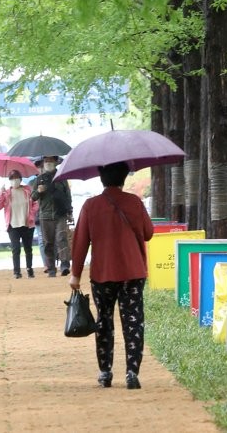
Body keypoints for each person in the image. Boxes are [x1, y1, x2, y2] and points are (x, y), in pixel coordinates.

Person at [69, 161, 154, 390]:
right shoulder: (135, 202)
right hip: (133, 272)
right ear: (125, 177)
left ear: (101, 178)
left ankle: (105, 372)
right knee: (133, 321)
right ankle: (132, 372)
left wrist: (75, 275)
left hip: (102, 274)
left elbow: (80, 243)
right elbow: (148, 233)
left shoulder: (90, 205)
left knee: (104, 320)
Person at [30, 154, 72, 277]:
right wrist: (38, 191)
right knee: (48, 242)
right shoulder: (39, 179)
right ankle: (51, 268)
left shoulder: (62, 178)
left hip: (61, 214)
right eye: (46, 160)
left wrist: (69, 211)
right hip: (45, 215)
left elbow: (68, 196)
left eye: (51, 160)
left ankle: (65, 265)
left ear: (55, 162)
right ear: (43, 162)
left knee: (62, 239)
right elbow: (33, 197)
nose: (48, 162)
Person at [0, 169, 38, 278]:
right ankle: (17, 271)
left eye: (17, 178)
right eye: (12, 179)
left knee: (28, 248)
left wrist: (32, 214)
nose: (15, 181)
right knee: (16, 249)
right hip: (13, 225)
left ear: (20, 179)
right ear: (9, 180)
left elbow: (35, 203)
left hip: (27, 224)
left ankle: (29, 269)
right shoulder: (6, 193)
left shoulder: (27, 190)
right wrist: (1, 193)